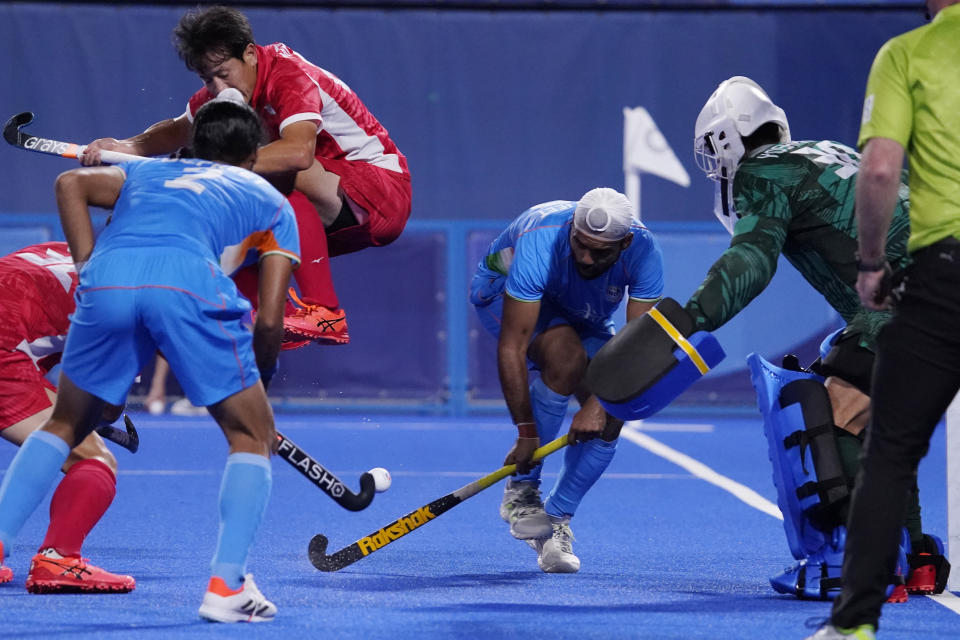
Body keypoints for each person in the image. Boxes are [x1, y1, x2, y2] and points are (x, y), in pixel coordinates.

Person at [0, 97, 299, 622]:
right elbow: (270, 321)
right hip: (189, 283)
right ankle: (227, 588)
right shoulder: (270, 200)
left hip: (107, 281)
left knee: (66, 424)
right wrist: (261, 382)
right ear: (254, 155)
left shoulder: (151, 170)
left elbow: (71, 183)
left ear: (192, 147)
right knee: (249, 436)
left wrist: (88, 264)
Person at [690, 77, 945, 601]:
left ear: (728, 140)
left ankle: (855, 565)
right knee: (878, 415)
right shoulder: (823, 151)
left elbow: (751, 260)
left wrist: (686, 317)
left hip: (917, 299)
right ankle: (916, 557)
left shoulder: (763, 170)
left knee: (823, 409)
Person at [82, 4, 412, 347]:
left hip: (381, 192)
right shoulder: (223, 93)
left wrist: (212, 169)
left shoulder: (289, 75)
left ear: (251, 54)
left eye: (224, 72)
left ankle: (325, 312)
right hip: (334, 210)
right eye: (207, 79)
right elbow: (179, 129)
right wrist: (127, 146)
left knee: (266, 179)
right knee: (238, 226)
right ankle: (264, 314)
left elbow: (299, 154)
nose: (218, 85)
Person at [810, 2, 960, 638]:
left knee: (890, 453)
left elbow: (877, 169)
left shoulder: (907, 54)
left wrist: (871, 264)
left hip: (943, 279)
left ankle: (855, 625)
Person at [470, 188, 664, 572]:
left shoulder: (645, 252)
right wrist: (527, 434)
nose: (586, 257)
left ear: (624, 243)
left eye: (600, 252)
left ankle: (555, 521)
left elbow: (639, 344)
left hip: (581, 309)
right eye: (580, 245)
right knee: (566, 358)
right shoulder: (541, 237)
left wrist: (599, 403)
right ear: (572, 229)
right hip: (501, 294)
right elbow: (513, 347)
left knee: (615, 408)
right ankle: (523, 491)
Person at [0, 241, 135, 593]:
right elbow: (106, 404)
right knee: (92, 457)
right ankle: (59, 559)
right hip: (4, 341)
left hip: (11, 337)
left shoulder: (65, 249)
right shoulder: (134, 302)